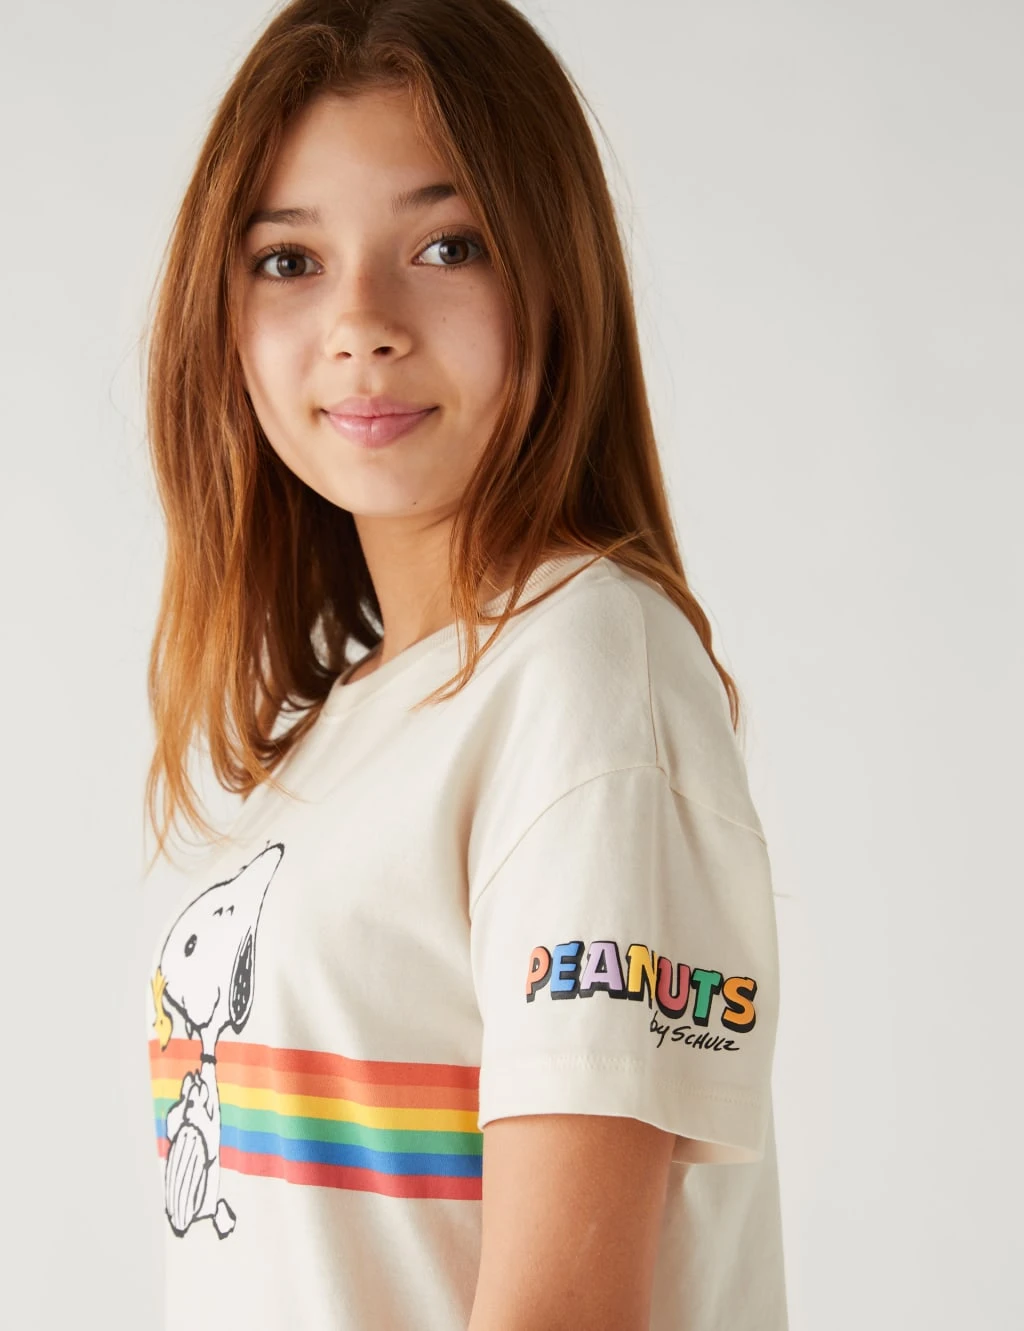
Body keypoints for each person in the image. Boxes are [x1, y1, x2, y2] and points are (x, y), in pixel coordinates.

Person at [140, 1, 787, 1328]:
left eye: (446, 245)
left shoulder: (586, 671)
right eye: (288, 259)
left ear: (553, 275)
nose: (361, 323)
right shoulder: (342, 727)